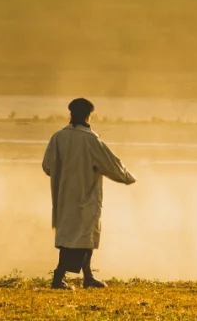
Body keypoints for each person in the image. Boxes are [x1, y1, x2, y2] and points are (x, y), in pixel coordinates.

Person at [41, 97, 136, 289]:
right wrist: (127, 177)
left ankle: (87, 276)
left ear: (71, 114)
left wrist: (64, 176)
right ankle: (59, 277)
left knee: (71, 237)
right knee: (83, 237)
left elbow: (47, 166)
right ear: (88, 115)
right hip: (87, 197)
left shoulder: (58, 137)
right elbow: (111, 164)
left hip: (64, 197)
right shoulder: (91, 139)